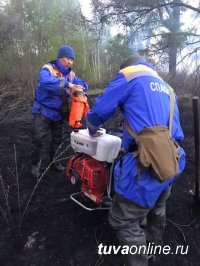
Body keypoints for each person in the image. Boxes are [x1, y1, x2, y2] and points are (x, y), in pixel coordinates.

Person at [86, 55, 185, 266]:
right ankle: (153, 248)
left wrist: (93, 128)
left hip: (146, 164)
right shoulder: (167, 87)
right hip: (172, 159)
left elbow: (100, 110)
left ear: (126, 67)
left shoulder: (129, 75)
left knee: (123, 219)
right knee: (158, 205)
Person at [31, 45, 88, 178]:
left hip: (59, 113)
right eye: (68, 58)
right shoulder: (48, 69)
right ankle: (35, 165)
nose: (70, 62)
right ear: (60, 57)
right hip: (43, 111)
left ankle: (54, 163)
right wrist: (68, 85)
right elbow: (45, 82)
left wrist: (81, 86)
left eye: (72, 60)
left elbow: (84, 84)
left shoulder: (71, 74)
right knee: (38, 139)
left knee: (57, 139)